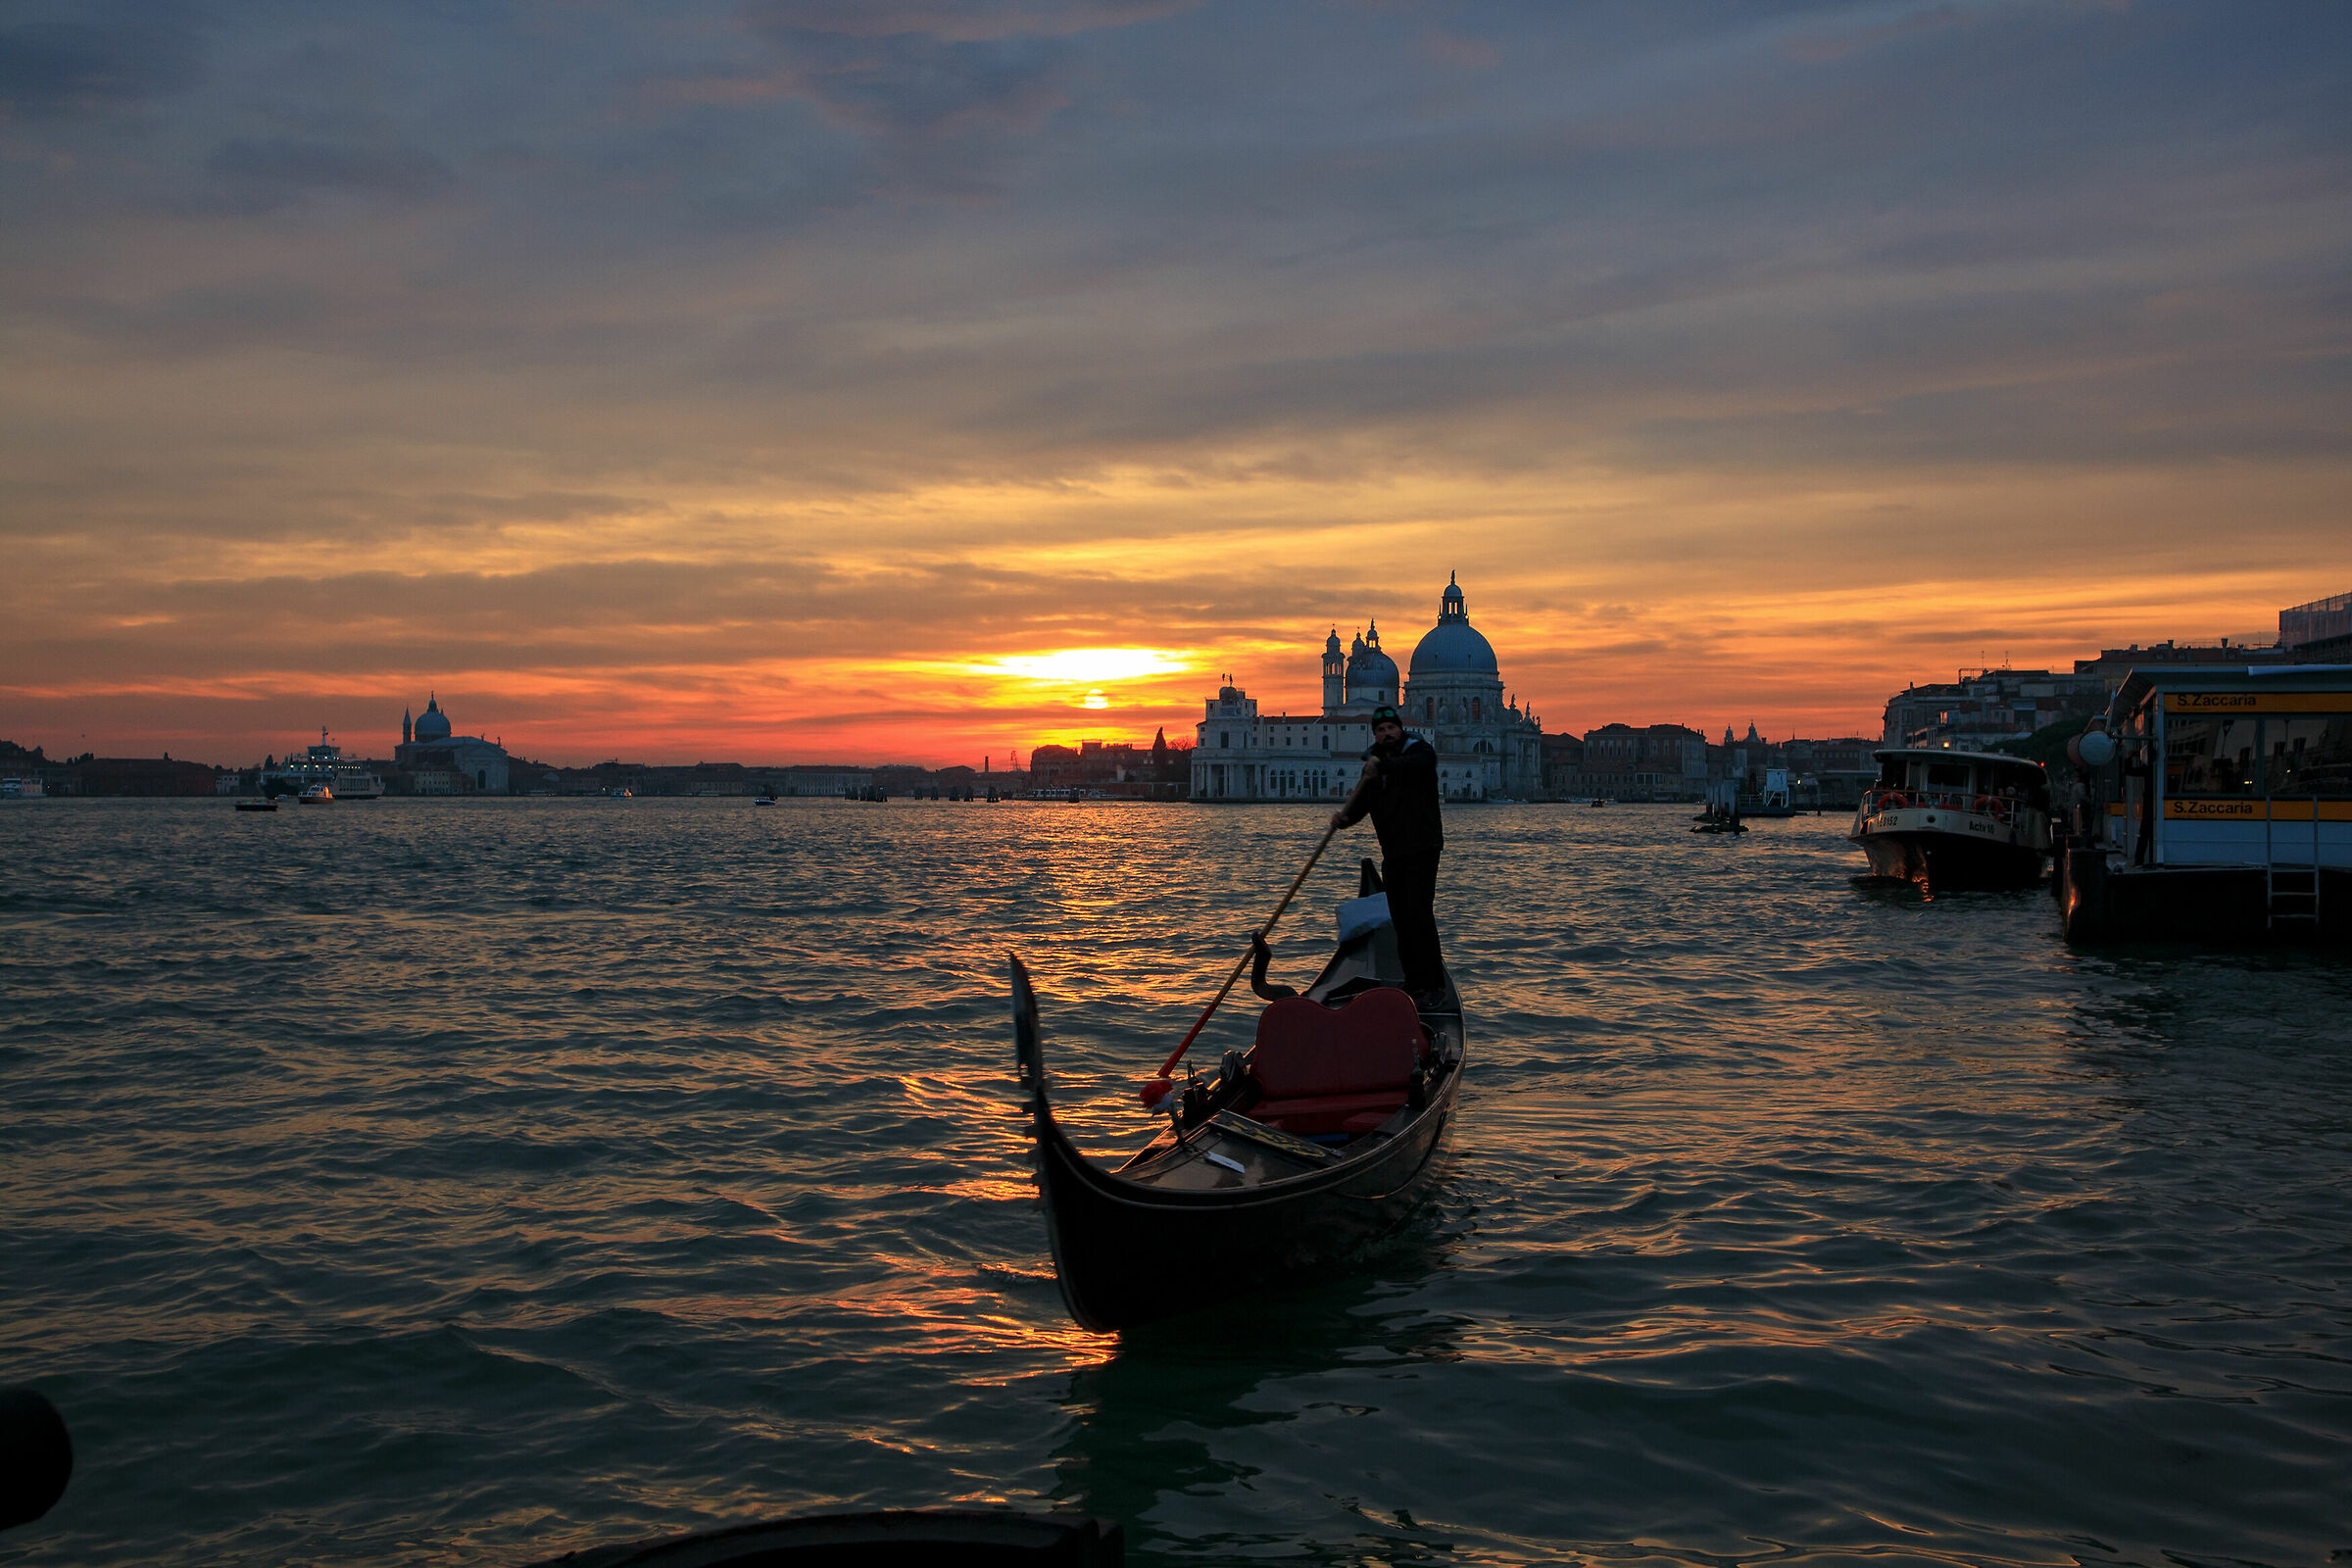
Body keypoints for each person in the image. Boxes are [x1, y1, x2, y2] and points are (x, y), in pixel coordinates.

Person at [1331, 704, 1446, 1004]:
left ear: (1400, 729)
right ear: (1376, 735)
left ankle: (1432, 985)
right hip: (1394, 852)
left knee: (1418, 915)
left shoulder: (1420, 752)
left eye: (1391, 728)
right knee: (1401, 919)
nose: (1387, 734)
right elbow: (1363, 803)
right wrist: (1344, 819)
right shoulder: (1374, 766)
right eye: (1380, 730)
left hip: (1423, 848)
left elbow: (1415, 767)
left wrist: (1379, 766)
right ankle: (1413, 981)